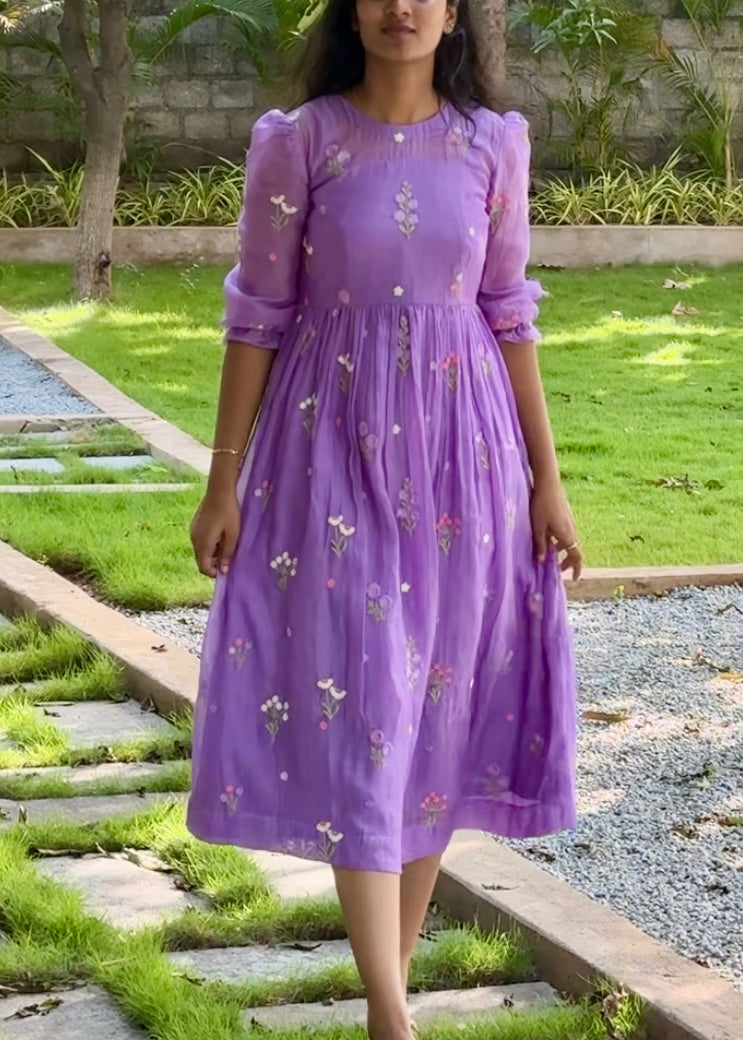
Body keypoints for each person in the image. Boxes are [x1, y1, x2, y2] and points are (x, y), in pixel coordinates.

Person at [187, 1, 581, 1037]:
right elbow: (256, 315)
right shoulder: (300, 142)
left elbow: (508, 311)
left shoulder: (491, 145)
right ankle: (392, 1017)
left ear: (452, 13)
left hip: (465, 459)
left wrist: (546, 480)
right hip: (328, 451)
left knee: (433, 722)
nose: (398, 7)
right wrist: (222, 480)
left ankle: (384, 1002)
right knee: (364, 710)